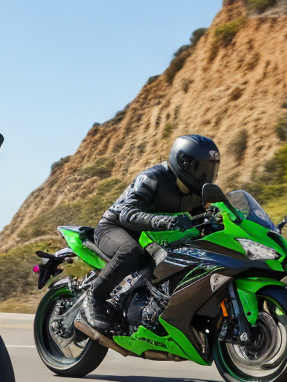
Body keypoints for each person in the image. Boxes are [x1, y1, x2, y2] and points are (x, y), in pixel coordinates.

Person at [82, 134, 221, 334]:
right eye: (201, 169)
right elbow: (126, 214)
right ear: (183, 163)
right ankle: (94, 296)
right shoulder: (152, 178)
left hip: (153, 236)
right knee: (131, 252)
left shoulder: (199, 193)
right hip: (115, 228)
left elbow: (209, 218)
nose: (206, 176)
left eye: (211, 170)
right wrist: (167, 221)